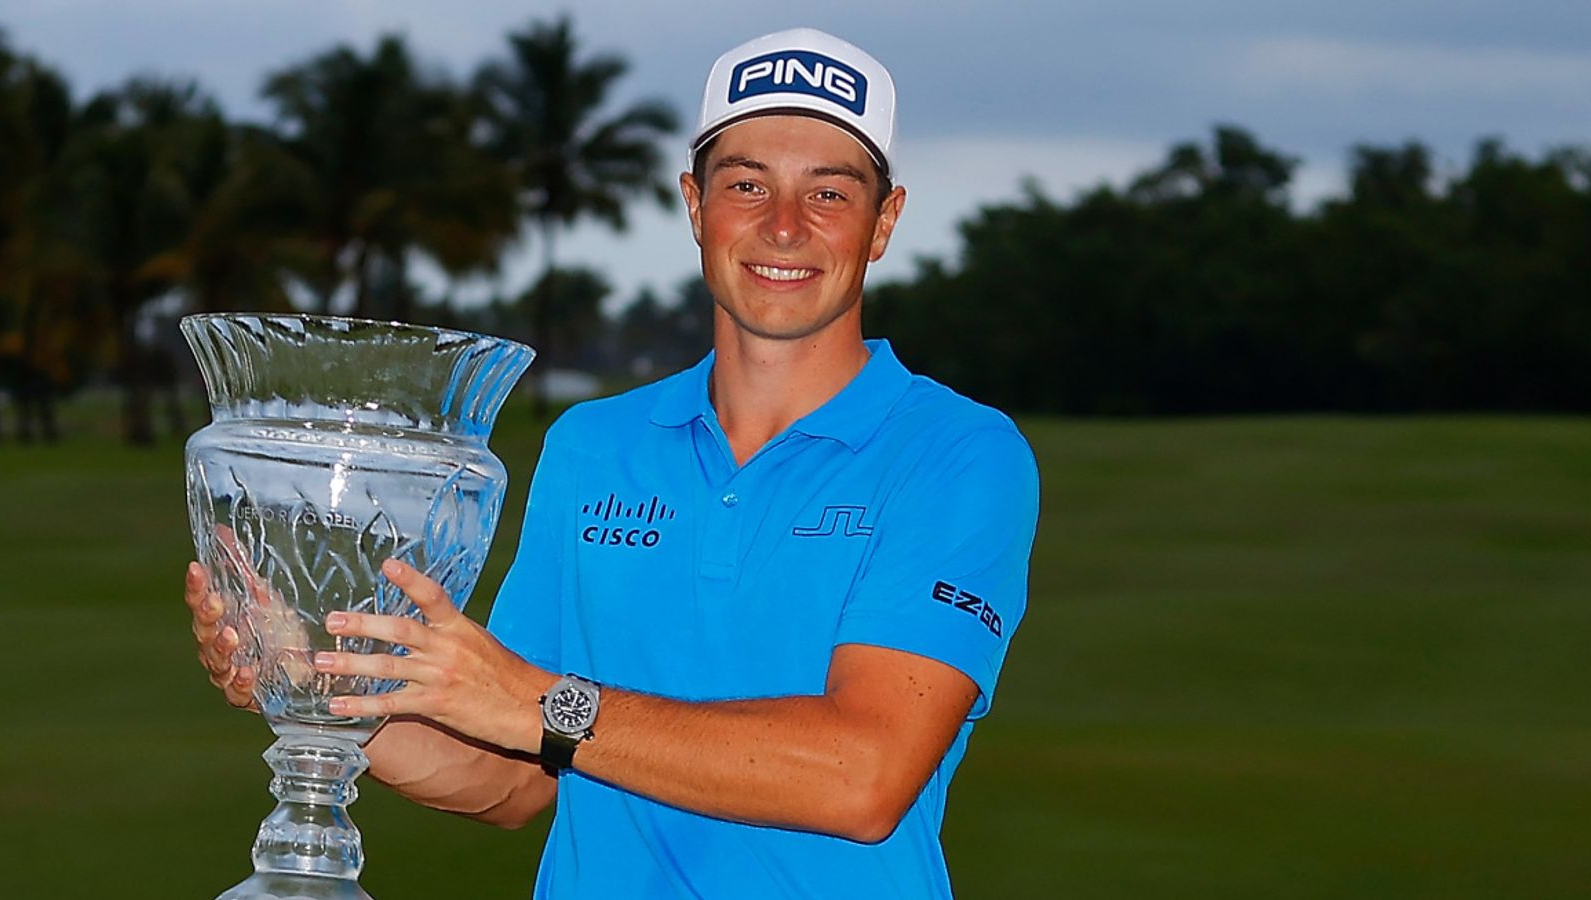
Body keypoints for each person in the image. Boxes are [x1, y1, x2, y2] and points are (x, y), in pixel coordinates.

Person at [186, 27, 1038, 899]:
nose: (785, 226)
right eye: (747, 184)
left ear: (884, 221)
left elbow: (863, 776)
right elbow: (515, 776)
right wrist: (316, 692)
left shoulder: (958, 454)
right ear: (695, 205)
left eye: (829, 192)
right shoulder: (595, 446)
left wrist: (536, 703)